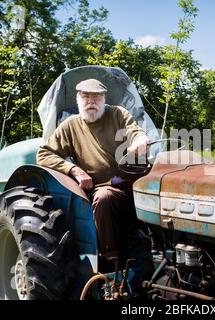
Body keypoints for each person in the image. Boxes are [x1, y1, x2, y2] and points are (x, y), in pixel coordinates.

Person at [36, 78, 149, 261]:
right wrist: (73, 169)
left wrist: (139, 140)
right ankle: (110, 260)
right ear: (78, 99)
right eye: (86, 97)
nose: (91, 102)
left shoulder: (117, 114)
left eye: (96, 97)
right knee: (105, 197)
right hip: (101, 189)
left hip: (130, 182)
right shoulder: (71, 126)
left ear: (104, 99)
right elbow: (43, 154)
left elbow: (134, 131)